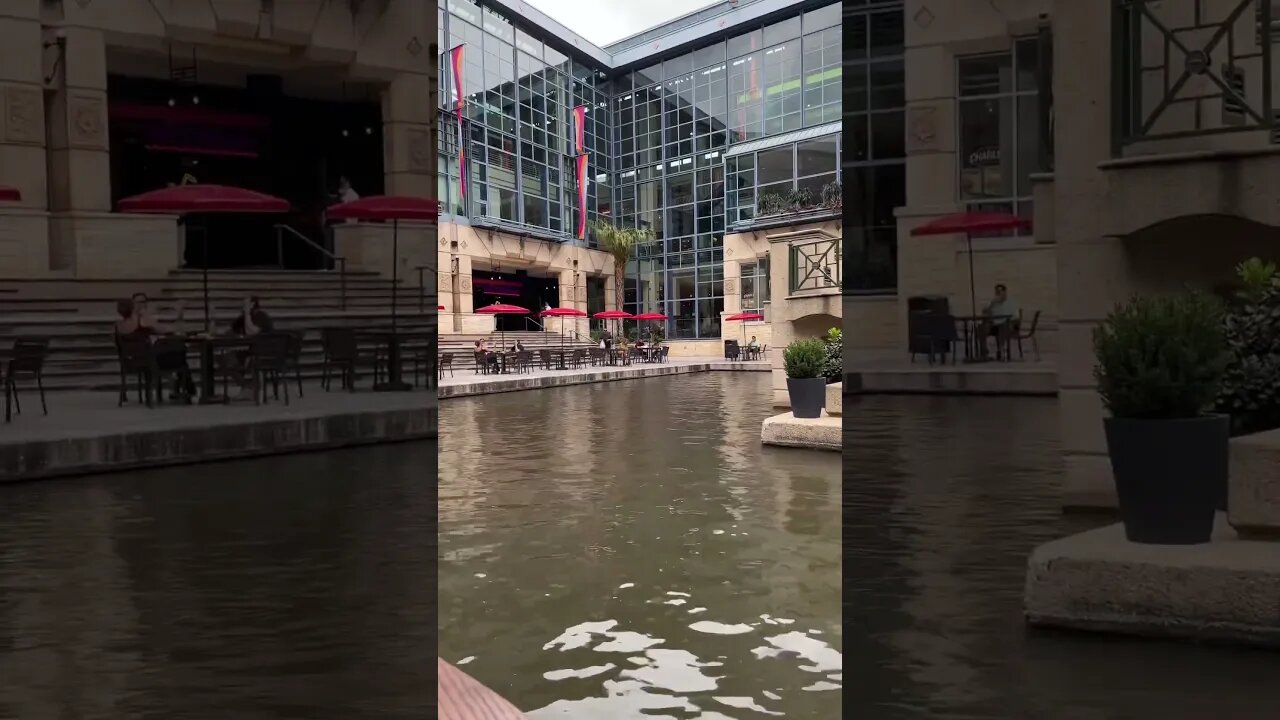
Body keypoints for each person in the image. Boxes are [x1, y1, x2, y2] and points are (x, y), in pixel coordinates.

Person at [980, 283, 1020, 359]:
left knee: (1003, 326)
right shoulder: (994, 303)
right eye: (997, 292)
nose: (998, 294)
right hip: (995, 325)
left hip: (1008, 325)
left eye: (1000, 291)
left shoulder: (1011, 302)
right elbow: (988, 315)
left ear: (1005, 292)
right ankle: (983, 350)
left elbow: (1016, 318)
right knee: (982, 327)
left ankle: (1001, 349)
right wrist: (990, 306)